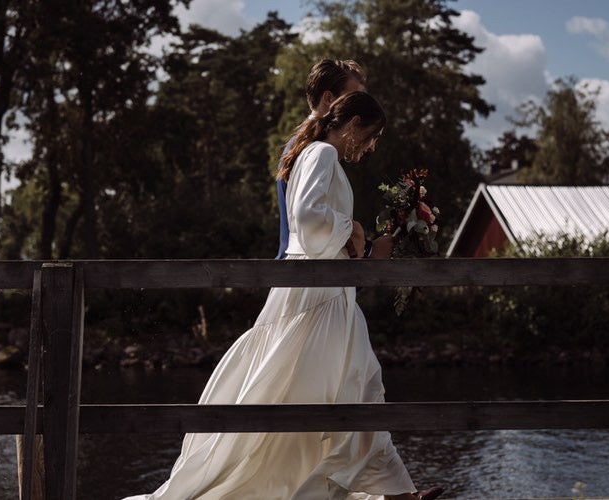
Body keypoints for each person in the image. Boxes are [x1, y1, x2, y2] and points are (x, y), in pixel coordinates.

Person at [122, 91, 440, 500]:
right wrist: (355, 230)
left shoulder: (315, 154)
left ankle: (396, 493)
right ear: (354, 124)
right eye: (372, 136)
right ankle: (388, 495)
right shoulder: (322, 154)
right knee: (332, 391)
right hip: (316, 298)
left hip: (327, 294)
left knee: (357, 386)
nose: (372, 146)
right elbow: (307, 224)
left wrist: (357, 242)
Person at [275, 59, 394, 261]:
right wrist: (367, 248)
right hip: (310, 270)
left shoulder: (311, 144)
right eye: (353, 96)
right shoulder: (312, 149)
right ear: (329, 99)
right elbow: (307, 217)